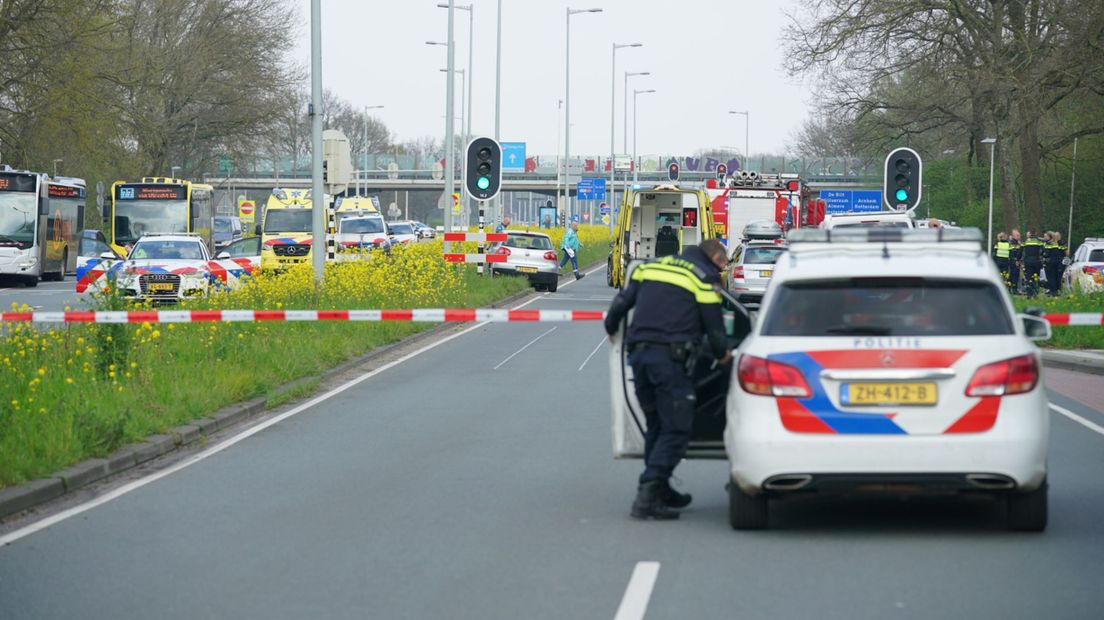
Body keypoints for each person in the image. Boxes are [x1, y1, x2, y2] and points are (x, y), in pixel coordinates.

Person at [603, 239, 737, 520]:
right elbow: (714, 331)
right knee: (676, 430)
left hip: (639, 358)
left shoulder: (652, 267)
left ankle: (661, 489)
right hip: (671, 362)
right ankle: (647, 493)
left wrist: (611, 328)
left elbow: (622, 303)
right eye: (723, 266)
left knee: (657, 426)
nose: (722, 272)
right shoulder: (703, 277)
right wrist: (725, 358)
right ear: (714, 258)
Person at [1021, 230, 1045, 296]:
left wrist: (1018, 259)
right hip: (1036, 261)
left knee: (1028, 277)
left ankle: (1029, 294)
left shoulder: (1025, 242)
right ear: (1035, 234)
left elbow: (1020, 251)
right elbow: (1044, 249)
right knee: (1036, 277)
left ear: (1029, 234)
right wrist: (1041, 255)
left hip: (1027, 261)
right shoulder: (1038, 241)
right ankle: (1035, 292)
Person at [1044, 231, 1066, 296]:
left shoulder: (1049, 244)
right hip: (1058, 262)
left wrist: (1043, 254)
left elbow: (1047, 254)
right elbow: (1064, 253)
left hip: (1051, 262)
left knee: (1051, 277)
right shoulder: (1057, 244)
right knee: (1057, 277)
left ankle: (1053, 291)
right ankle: (1056, 291)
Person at [1008, 229, 1023, 294]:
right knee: (1013, 275)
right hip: (1012, 262)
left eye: (1019, 235)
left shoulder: (1018, 243)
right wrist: (1015, 261)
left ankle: (1014, 289)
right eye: (1017, 235)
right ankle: (1013, 289)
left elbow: (1020, 253)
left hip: (1017, 261)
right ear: (1013, 236)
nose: (1019, 236)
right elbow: (1011, 254)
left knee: (1015, 275)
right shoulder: (1011, 243)